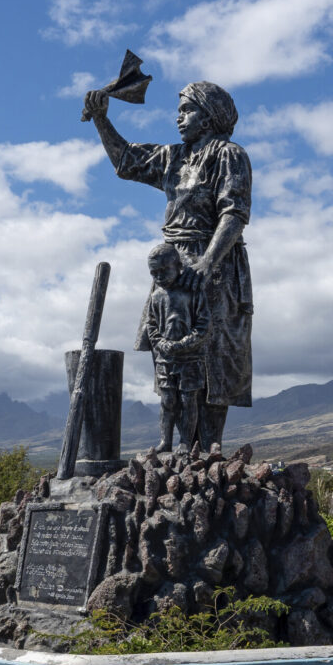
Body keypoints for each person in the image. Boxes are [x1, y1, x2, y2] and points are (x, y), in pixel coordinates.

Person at [83, 78, 252, 450]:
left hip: (216, 264)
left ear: (208, 117)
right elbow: (127, 161)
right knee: (170, 351)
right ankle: (176, 444)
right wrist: (101, 120)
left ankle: (208, 448)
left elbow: (234, 212)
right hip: (172, 267)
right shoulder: (173, 157)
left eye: (187, 109)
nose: (178, 118)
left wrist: (207, 263)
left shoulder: (228, 154)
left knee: (213, 356)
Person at [140, 243, 210, 453]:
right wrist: (160, 343)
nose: (159, 277)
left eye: (164, 271)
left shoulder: (193, 292)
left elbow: (204, 325)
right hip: (165, 359)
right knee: (168, 400)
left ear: (178, 266)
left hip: (190, 358)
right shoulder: (156, 297)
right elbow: (151, 325)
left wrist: (183, 345)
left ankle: (185, 442)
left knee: (189, 400)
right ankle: (165, 441)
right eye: (154, 273)